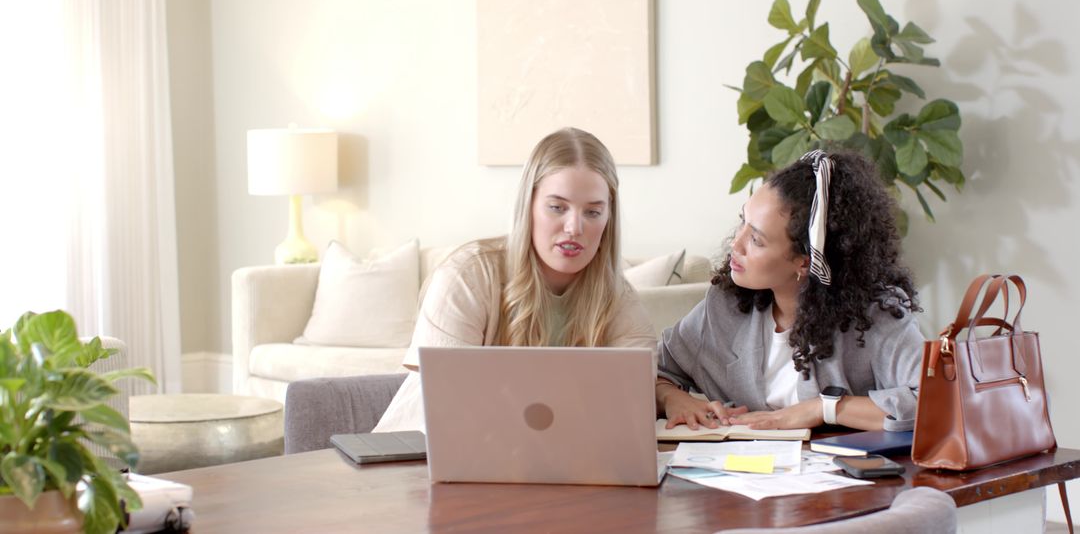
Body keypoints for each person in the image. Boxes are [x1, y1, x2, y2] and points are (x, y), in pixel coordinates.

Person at [374, 127, 656, 432]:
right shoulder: (468, 275)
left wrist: (665, 395)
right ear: (528, 206)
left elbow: (632, 400)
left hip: (543, 466)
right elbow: (447, 402)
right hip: (417, 458)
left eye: (592, 212)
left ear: (608, 219)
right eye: (557, 207)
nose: (574, 227)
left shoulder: (617, 298)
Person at [656, 149, 924, 432]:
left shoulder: (875, 316)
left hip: (842, 473)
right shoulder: (724, 306)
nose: (736, 244)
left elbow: (934, 403)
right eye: (742, 222)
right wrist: (673, 398)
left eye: (756, 240)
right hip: (736, 471)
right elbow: (653, 373)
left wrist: (825, 408)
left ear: (805, 262)